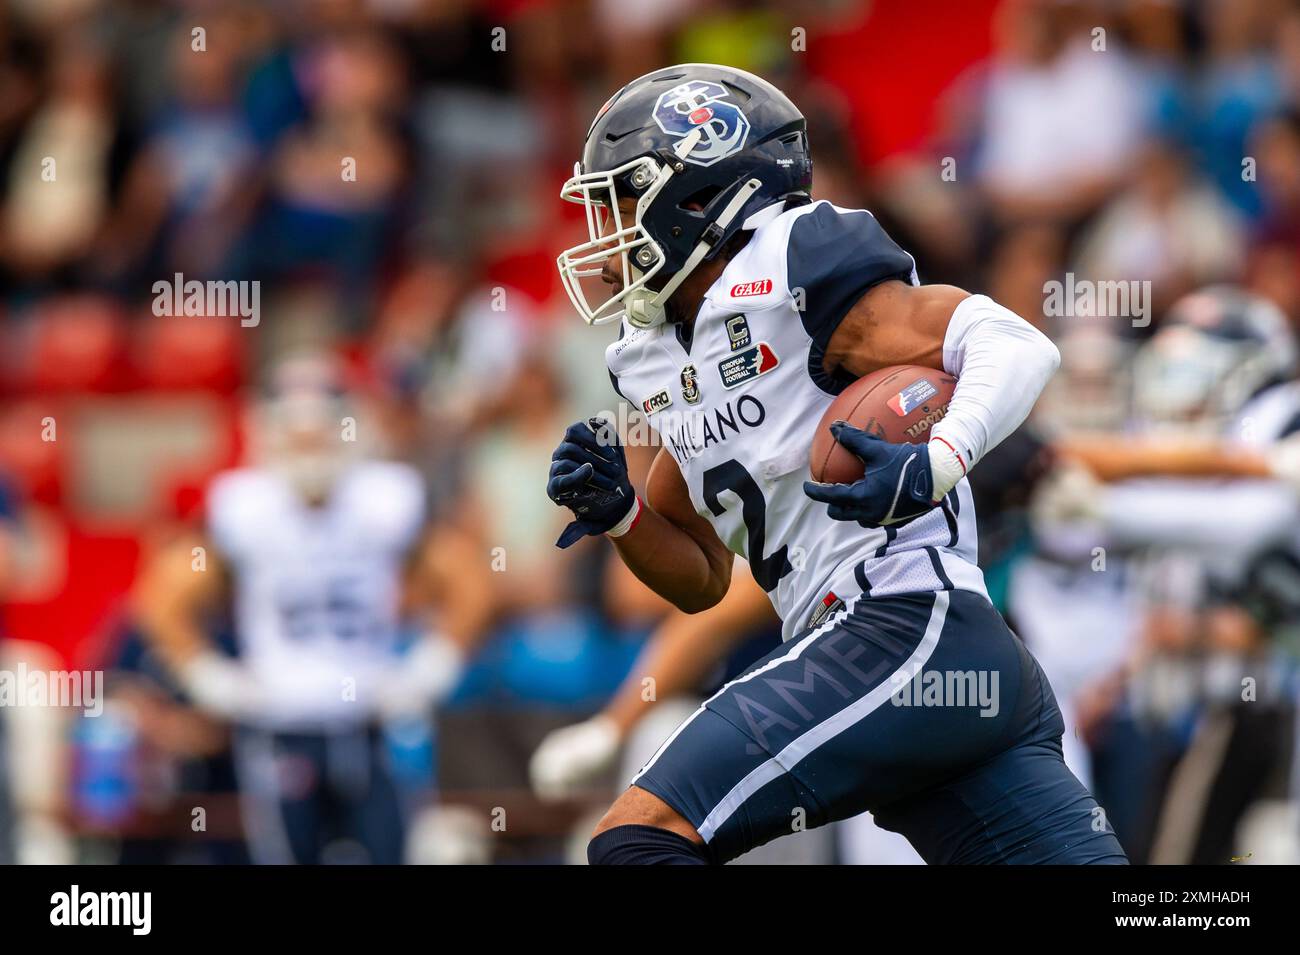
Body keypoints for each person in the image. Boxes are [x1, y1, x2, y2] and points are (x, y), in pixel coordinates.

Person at [545, 64, 1127, 865]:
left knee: (636, 839)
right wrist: (625, 519)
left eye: (618, 202)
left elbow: (1015, 342)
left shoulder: (793, 256)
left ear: (694, 196)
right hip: (904, 655)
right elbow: (703, 578)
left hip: (905, 623)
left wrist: (937, 461)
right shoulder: (645, 358)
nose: (601, 236)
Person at [135, 352, 489, 863]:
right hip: (281, 726)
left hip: (372, 723)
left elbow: (469, 580)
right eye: (297, 435)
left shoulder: (384, 497)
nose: (309, 447)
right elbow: (164, 595)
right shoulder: (245, 506)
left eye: (320, 433)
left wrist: (432, 666)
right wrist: (208, 674)